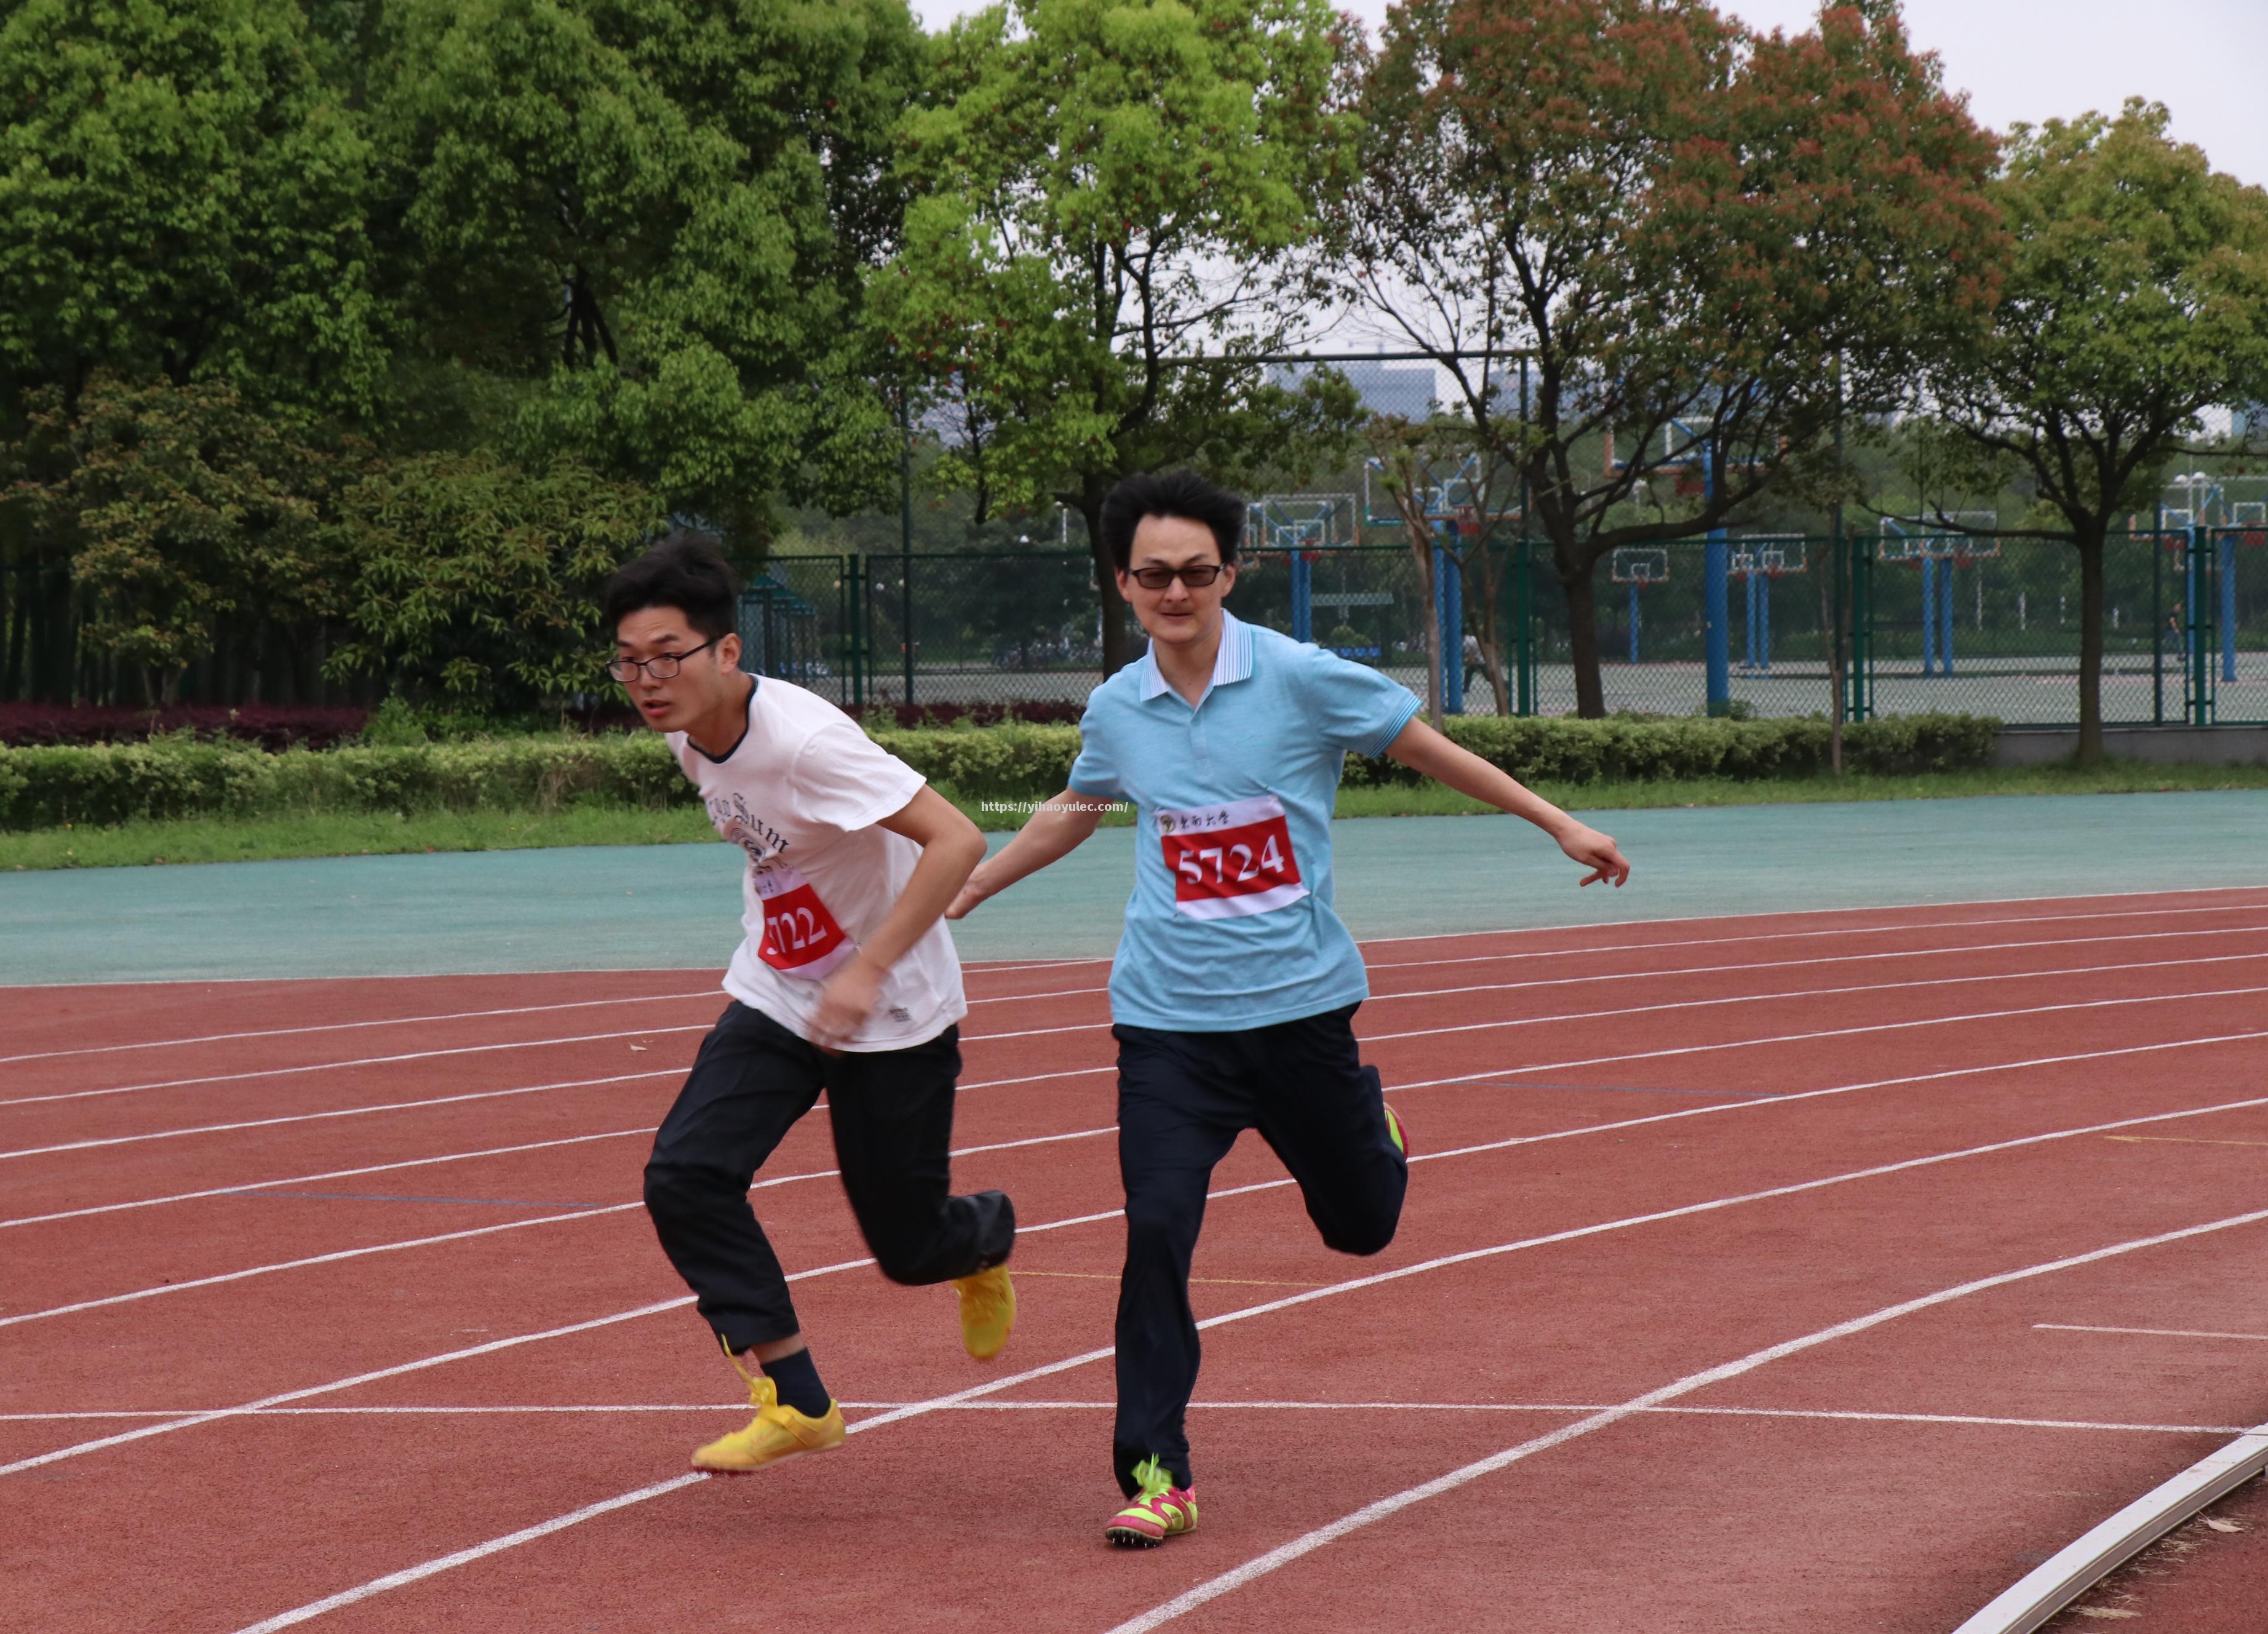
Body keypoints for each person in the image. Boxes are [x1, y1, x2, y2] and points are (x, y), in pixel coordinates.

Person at [948, 469, 1629, 1547]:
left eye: (1198, 573)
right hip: (1167, 1025)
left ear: (1230, 573)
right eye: (1156, 575)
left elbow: (1426, 748)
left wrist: (1559, 824)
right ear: (1124, 583)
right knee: (1158, 1231)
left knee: (1361, 1228)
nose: (1178, 592)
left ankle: (1371, 1124)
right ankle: (1156, 1473)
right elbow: (1080, 804)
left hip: (1301, 1015)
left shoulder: (1303, 677)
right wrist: (972, 884)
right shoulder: (1120, 707)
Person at [613, 531, 1017, 1475]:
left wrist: (867, 968)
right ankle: (797, 1400)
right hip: (780, 993)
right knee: (685, 1175)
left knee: (908, 1250)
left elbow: (956, 839)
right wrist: (808, 964)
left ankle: (982, 1238)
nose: (647, 679)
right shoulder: (687, 739)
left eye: (666, 656)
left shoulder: (807, 744)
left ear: (726, 652)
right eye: (629, 662)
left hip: (894, 1011)